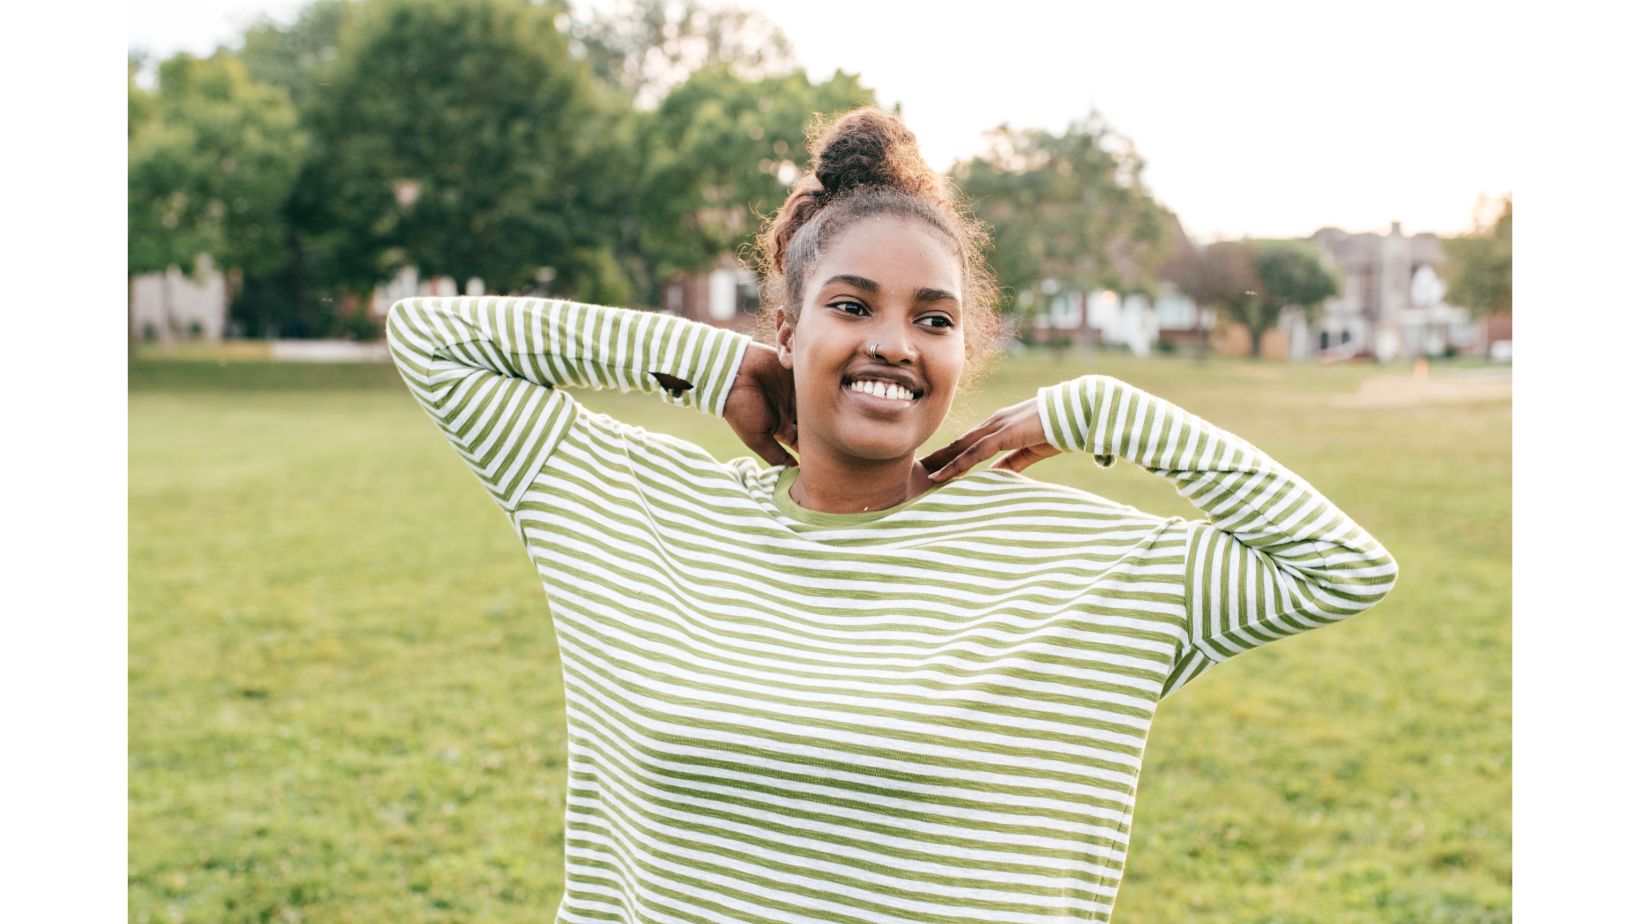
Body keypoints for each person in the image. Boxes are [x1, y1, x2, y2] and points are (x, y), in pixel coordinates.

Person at [385, 107, 1398, 924]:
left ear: (965, 351)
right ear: (784, 324)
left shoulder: (1078, 564)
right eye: (850, 305)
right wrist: (708, 363)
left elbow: (1337, 567)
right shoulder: (629, 513)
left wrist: (1105, 411)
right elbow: (434, 341)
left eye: (933, 319)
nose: (893, 343)